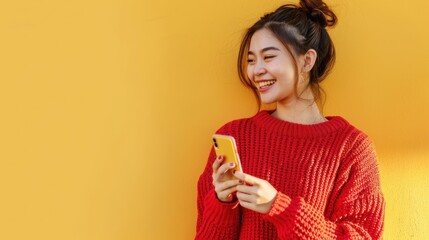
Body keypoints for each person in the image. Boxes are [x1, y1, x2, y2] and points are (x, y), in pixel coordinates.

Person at [195, 0, 385, 239]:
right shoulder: (234, 136)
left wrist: (279, 207)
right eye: (251, 60)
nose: (256, 70)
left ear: (307, 60)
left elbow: (362, 235)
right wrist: (222, 201)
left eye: (269, 57)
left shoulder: (351, 147)